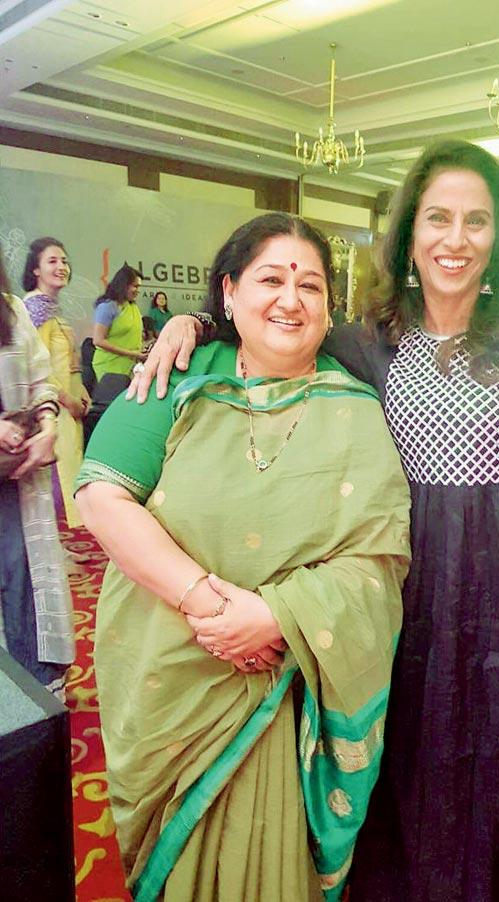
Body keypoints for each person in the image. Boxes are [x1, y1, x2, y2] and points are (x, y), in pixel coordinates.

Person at [132, 140, 499, 902]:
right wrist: (191, 322)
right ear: (408, 235)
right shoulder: (365, 341)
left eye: (475, 221)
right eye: (437, 218)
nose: (454, 239)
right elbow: (275, 326)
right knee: (407, 782)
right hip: (405, 607)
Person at [74, 213, 411, 902]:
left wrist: (277, 615)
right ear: (228, 292)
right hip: (176, 676)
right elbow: (102, 498)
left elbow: (378, 562)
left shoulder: (356, 406)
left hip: (290, 686)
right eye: (271, 278)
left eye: (311, 285)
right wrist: (211, 606)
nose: (291, 299)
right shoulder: (177, 375)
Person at [0, 247, 74, 697]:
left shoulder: (10, 310)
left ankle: (37, 690)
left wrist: (48, 426)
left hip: (20, 469)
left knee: (25, 575)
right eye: (53, 260)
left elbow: (41, 378)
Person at [22, 237, 91, 528]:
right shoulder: (33, 308)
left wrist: (82, 392)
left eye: (64, 261)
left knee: (65, 477)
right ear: (35, 270)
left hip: (67, 407)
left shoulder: (51, 307)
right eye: (52, 261)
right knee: (54, 480)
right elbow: (37, 367)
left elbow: (66, 362)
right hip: (50, 409)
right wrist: (66, 399)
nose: (61, 266)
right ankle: (56, 554)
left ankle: (60, 548)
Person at [92, 263, 145, 379]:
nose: (137, 291)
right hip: (109, 368)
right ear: (123, 285)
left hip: (131, 366)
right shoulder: (107, 307)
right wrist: (132, 354)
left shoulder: (132, 306)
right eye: (135, 286)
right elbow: (98, 340)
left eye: (139, 287)